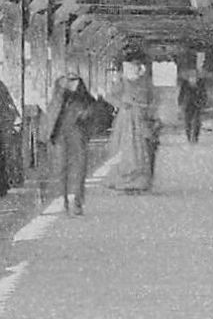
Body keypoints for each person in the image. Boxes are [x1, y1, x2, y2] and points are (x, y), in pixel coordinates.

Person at [41, 73, 97, 216]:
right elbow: (50, 117)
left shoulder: (85, 101)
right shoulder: (58, 98)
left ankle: (75, 202)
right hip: (60, 137)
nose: (68, 85)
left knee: (77, 169)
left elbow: (91, 117)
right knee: (60, 169)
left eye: (72, 81)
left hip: (76, 136)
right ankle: (63, 201)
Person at [106, 59, 160, 193]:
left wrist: (149, 110)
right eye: (131, 66)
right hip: (126, 120)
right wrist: (122, 105)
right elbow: (110, 96)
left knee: (141, 149)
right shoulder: (122, 82)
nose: (134, 69)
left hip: (141, 119)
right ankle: (124, 179)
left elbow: (154, 99)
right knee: (126, 148)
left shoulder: (145, 82)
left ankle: (139, 181)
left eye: (136, 66)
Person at [177, 69, 207, 144]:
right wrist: (180, 102)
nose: (193, 77)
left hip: (197, 104)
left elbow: (204, 93)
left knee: (197, 121)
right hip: (188, 104)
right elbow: (182, 93)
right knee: (188, 121)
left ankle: (195, 137)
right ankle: (189, 137)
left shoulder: (200, 83)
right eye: (191, 75)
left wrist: (203, 102)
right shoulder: (185, 83)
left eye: (194, 75)